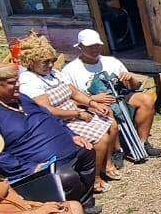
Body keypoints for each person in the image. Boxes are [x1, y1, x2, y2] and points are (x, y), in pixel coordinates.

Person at [0, 62, 99, 209]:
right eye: (11, 82)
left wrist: (71, 134)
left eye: (17, 80)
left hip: (65, 148)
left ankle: (84, 202)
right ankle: (68, 211)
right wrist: (29, 168)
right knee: (65, 178)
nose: (18, 85)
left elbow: (48, 116)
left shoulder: (20, 98)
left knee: (88, 151)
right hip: (37, 165)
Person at [15, 33, 120, 194]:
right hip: (59, 123)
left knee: (111, 121)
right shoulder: (29, 80)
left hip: (74, 113)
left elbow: (75, 94)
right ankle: (95, 178)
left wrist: (93, 104)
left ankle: (107, 163)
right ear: (32, 62)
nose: (50, 65)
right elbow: (47, 110)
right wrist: (77, 114)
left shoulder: (54, 74)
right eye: (45, 62)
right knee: (101, 139)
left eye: (52, 61)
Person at [61, 29, 161, 158]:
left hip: (119, 95)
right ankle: (117, 150)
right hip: (93, 104)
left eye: (97, 45)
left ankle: (143, 142)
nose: (94, 49)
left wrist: (130, 78)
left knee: (146, 99)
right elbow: (70, 99)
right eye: (89, 46)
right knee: (106, 110)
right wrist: (92, 99)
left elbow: (134, 87)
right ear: (80, 46)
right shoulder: (70, 70)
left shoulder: (111, 61)